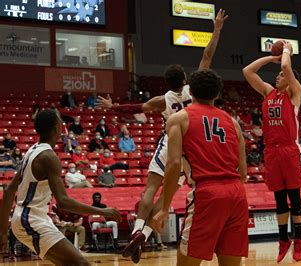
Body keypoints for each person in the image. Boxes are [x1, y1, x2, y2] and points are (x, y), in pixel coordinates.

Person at [96, 10, 229, 264]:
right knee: (165, 197)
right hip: (188, 149)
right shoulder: (195, 90)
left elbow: (136, 108)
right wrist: (217, 30)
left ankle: (136, 230)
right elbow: (207, 55)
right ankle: (144, 235)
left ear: (168, 83)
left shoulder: (162, 100)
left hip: (169, 144)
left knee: (149, 191)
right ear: (186, 79)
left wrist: (112, 107)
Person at [150, 68, 248, 266]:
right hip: (237, 194)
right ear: (218, 94)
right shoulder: (233, 122)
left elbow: (174, 164)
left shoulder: (178, 119)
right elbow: (243, 172)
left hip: (207, 194)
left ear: (190, 91)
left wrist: (164, 208)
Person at [0, 109, 121, 265]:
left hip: (28, 217)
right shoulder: (49, 157)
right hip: (30, 219)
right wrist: (102, 211)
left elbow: (9, 190)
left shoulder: (32, 150)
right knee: (81, 264)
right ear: (56, 128)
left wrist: (3, 231)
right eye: (61, 123)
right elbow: (63, 202)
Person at [243, 40, 301, 262]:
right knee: (279, 199)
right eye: (277, 74)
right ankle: (283, 239)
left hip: (289, 150)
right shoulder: (268, 92)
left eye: (280, 74)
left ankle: (298, 239)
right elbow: (247, 71)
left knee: (294, 197)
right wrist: (273, 57)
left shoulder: (294, 93)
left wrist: (286, 52)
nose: (277, 76)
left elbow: (287, 69)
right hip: (271, 151)